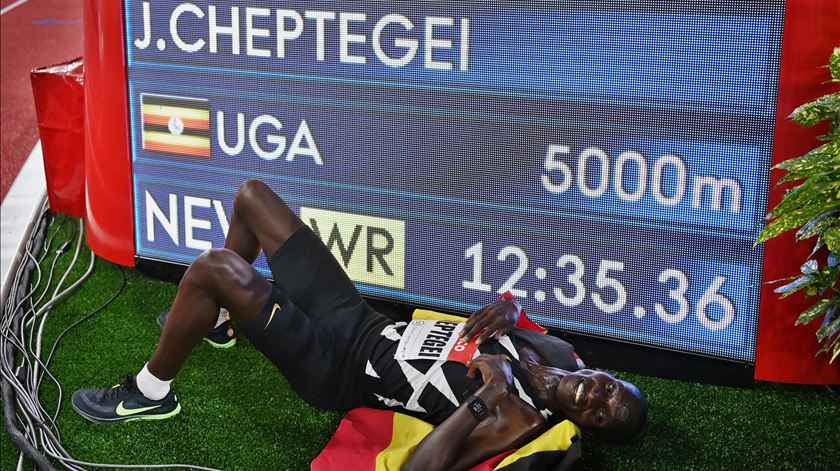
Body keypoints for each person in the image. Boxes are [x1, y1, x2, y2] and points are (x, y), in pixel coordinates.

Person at [72, 179, 647, 469]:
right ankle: (219, 321)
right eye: (610, 390)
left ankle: (149, 392)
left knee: (213, 269)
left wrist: (487, 394)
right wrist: (508, 308)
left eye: (598, 413)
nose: (595, 396)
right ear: (605, 374)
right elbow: (516, 310)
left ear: (584, 426)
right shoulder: (560, 354)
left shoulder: (516, 416)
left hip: (337, 368)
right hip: (359, 322)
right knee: (252, 197)